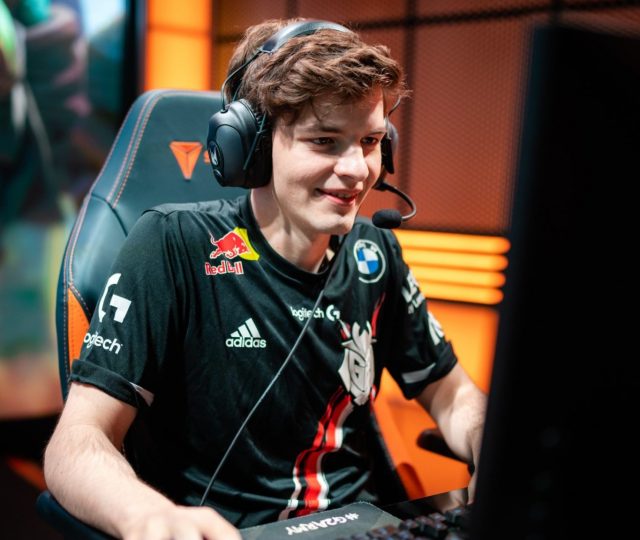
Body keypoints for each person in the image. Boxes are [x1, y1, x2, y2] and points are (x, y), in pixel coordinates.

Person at [44, 17, 487, 540]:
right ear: (251, 148)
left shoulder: (376, 254)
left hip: (369, 525)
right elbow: (77, 441)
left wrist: (488, 438)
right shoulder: (174, 244)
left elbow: (452, 395)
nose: (357, 169)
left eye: (369, 141)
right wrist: (145, 516)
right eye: (325, 141)